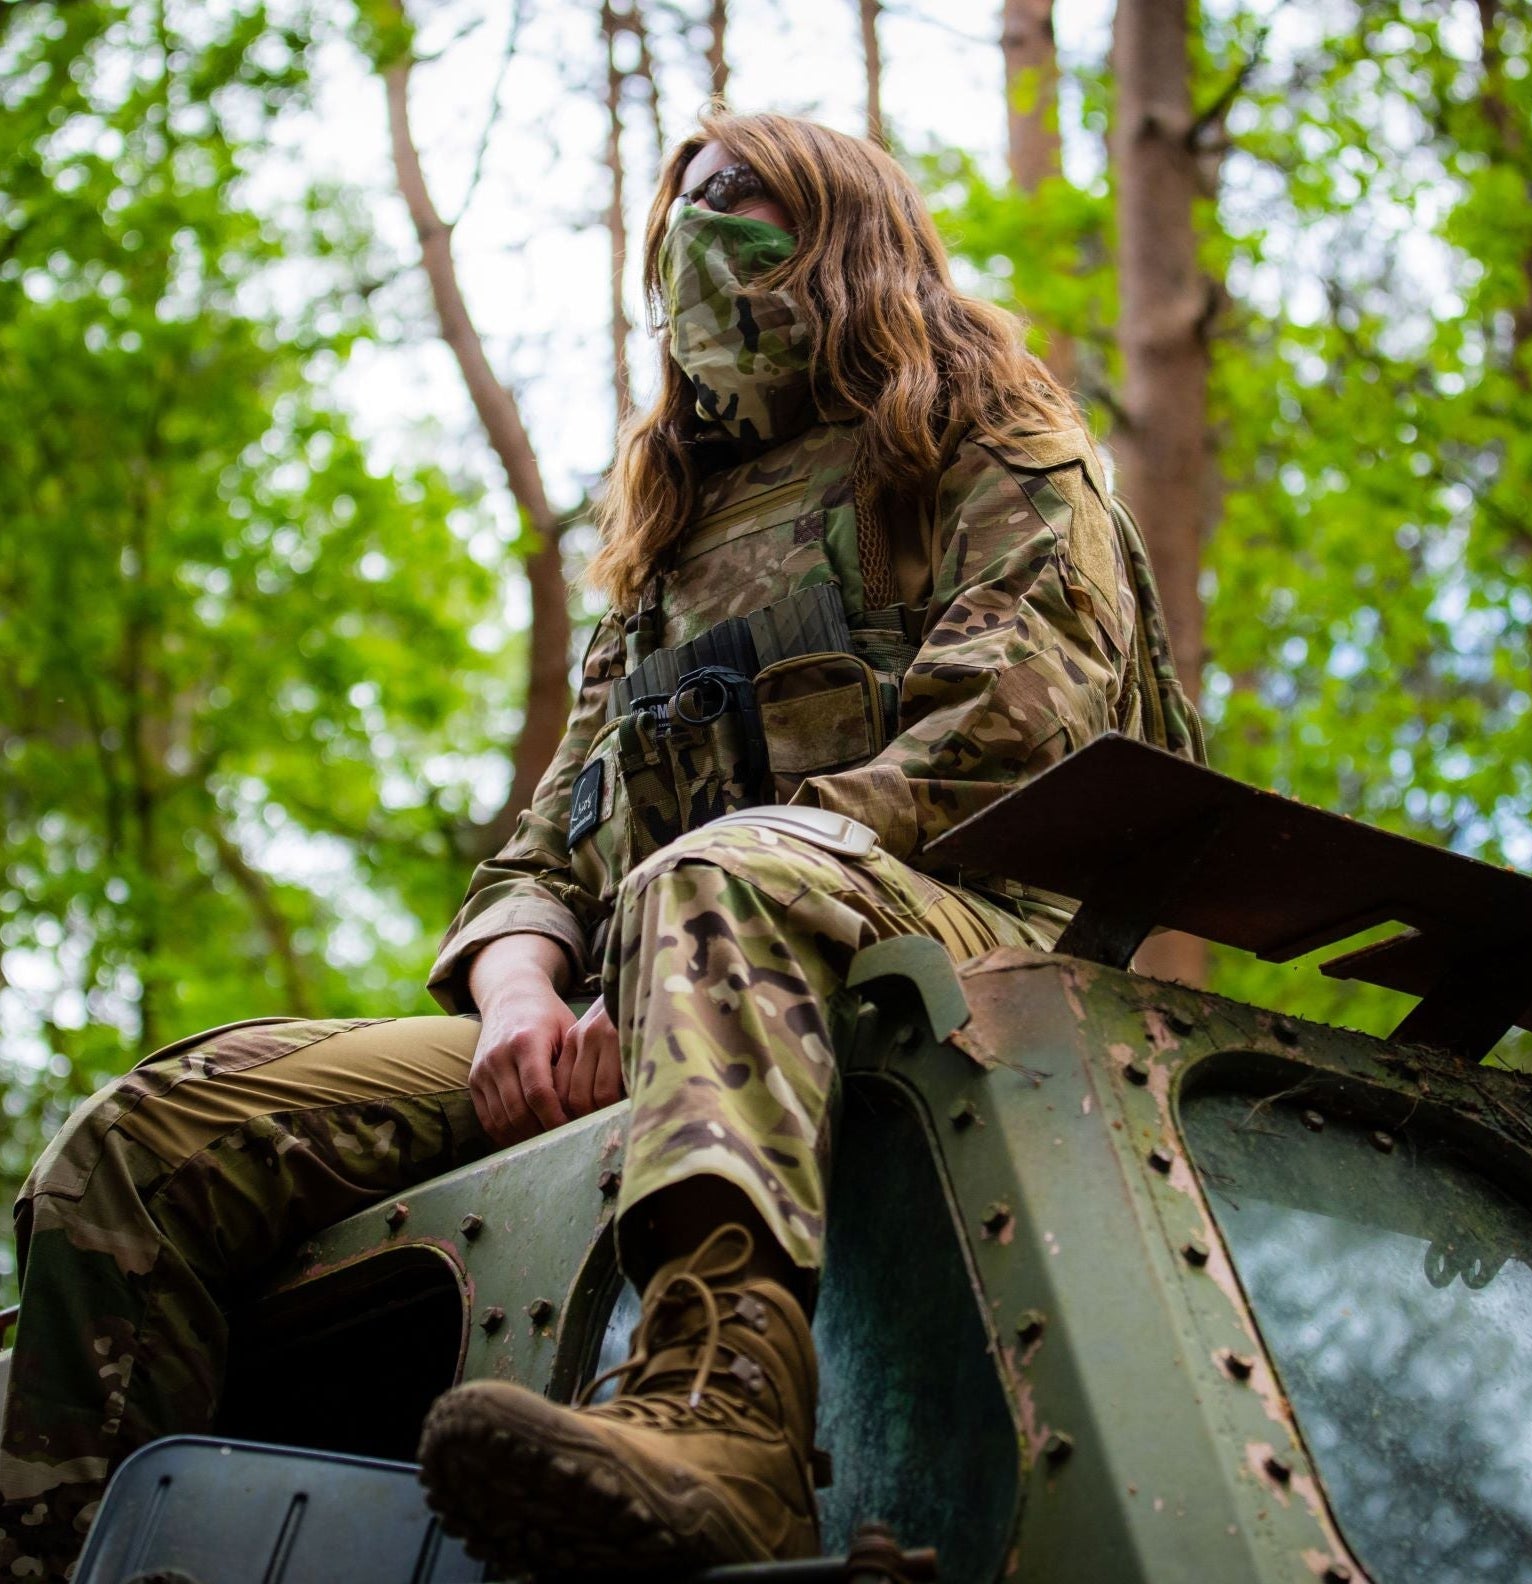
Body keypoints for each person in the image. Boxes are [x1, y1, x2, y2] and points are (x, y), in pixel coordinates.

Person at [0, 110, 1160, 1580]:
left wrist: (687, 952)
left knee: (710, 875)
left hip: (945, 941)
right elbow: (549, 840)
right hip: (657, 983)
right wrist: (524, 996)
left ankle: (726, 1424)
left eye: (741, 199)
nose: (694, 231)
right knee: (150, 1140)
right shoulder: (673, 544)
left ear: (848, 232)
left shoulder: (994, 439)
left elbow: (1011, 737)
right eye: (680, 204)